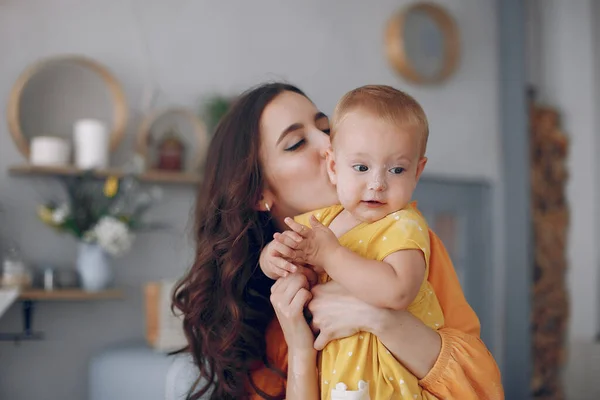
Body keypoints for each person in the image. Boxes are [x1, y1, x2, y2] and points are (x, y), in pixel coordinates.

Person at [173, 82, 504, 400]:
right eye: (296, 143)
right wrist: (301, 348)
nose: (327, 144)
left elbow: (481, 389)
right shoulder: (263, 309)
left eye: (325, 128)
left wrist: (379, 318)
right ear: (260, 193)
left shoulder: (405, 240)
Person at [261, 85, 444, 400]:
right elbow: (285, 245)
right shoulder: (325, 221)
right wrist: (272, 257)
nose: (377, 184)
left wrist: (331, 256)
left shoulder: (403, 225)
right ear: (335, 166)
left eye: (397, 170)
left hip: (391, 386)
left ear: (418, 172)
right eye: (361, 167)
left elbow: (398, 290)